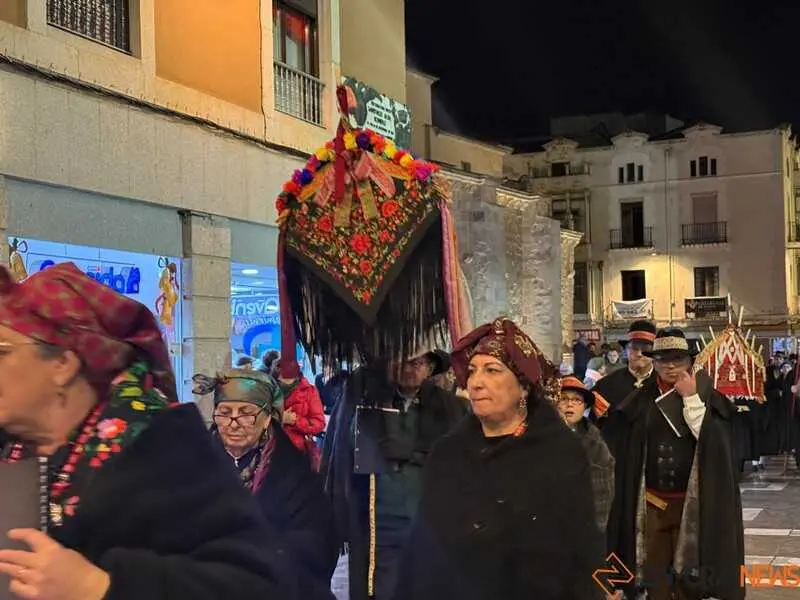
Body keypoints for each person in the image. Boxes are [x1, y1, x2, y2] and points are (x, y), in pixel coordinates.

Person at [0, 263, 282, 599]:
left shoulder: (165, 450)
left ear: (63, 364)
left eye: (3, 351)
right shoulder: (15, 446)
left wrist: (99, 587)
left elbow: (257, 586)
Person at [392, 318, 605, 600]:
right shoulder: (448, 453)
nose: (476, 382)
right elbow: (421, 551)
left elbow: (582, 544)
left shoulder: (559, 452)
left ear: (524, 387)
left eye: (492, 371)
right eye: (472, 371)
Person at [603, 328, 744, 600]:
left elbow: (712, 444)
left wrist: (691, 397)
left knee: (688, 578)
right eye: (663, 359)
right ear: (654, 363)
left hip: (692, 507)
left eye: (678, 359)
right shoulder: (640, 399)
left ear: (690, 362)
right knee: (654, 576)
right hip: (651, 505)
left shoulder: (707, 396)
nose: (670, 366)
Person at [323, 348, 466, 600]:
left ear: (431, 368)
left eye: (419, 362)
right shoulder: (365, 400)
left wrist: (415, 453)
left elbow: (459, 461)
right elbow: (341, 452)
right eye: (403, 360)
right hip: (379, 528)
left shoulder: (449, 408)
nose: (411, 368)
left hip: (430, 527)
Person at [193, 368, 339, 600]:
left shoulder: (293, 472)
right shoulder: (194, 464)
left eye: (246, 413)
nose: (233, 422)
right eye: (224, 412)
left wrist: (264, 554)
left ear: (267, 418)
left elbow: (317, 540)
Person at [557, 376, 615, 533]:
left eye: (577, 400)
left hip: (582, 525)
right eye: (563, 399)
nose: (569, 404)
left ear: (585, 407)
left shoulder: (595, 442)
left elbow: (603, 491)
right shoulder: (539, 436)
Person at [593, 320, 657, 422]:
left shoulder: (665, 384)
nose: (640, 353)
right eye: (634, 348)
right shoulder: (605, 385)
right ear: (626, 350)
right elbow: (595, 424)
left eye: (646, 348)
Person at [274, 361, 327, 471]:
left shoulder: (309, 391)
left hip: (299, 452)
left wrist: (294, 421)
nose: (285, 381)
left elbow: (319, 423)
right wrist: (279, 418)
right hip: (271, 451)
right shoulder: (269, 392)